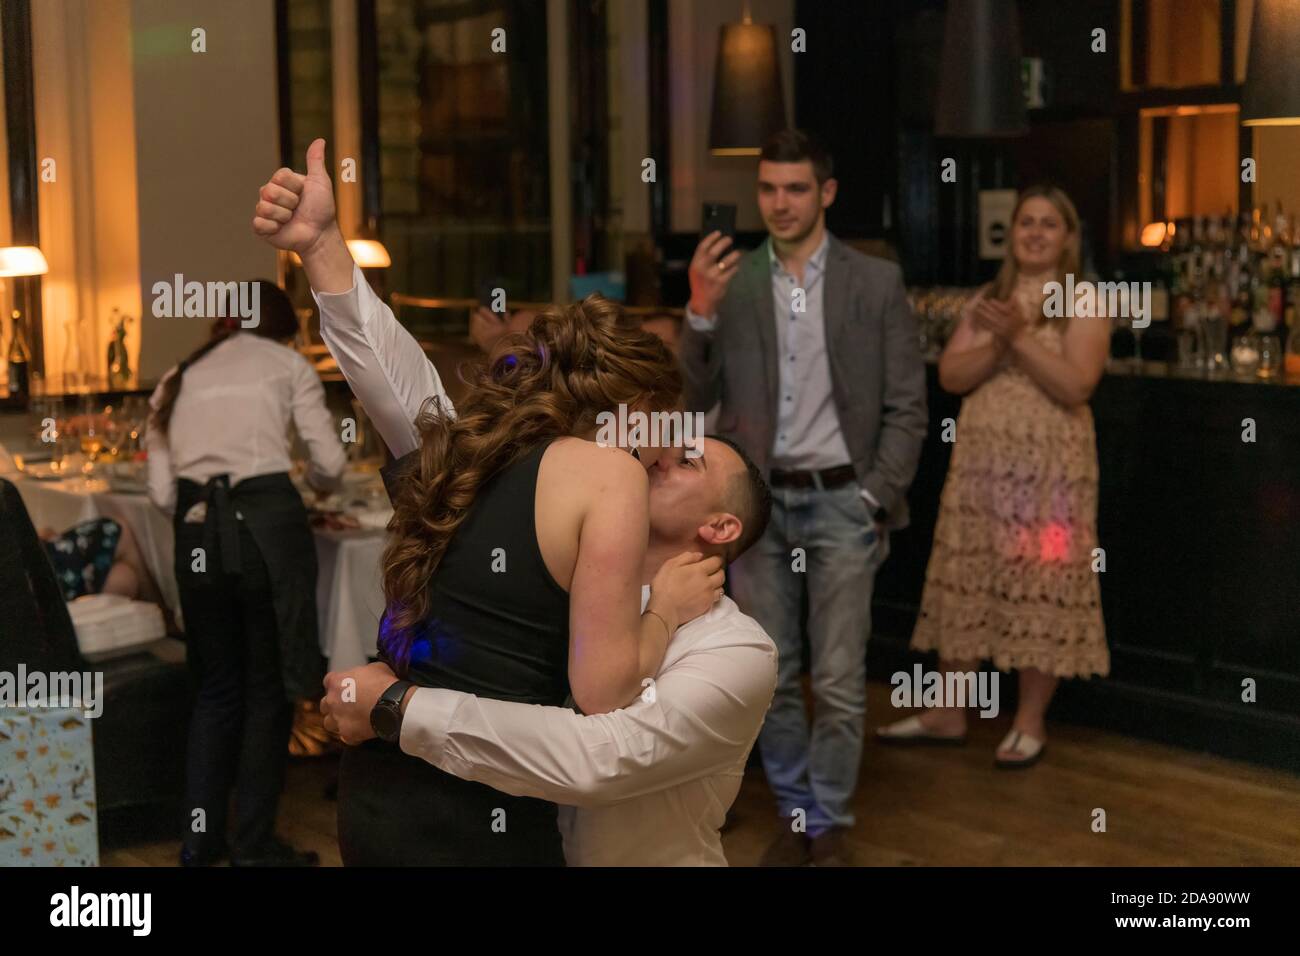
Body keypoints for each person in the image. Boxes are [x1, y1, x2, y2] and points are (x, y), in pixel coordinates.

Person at [252, 139, 723, 865]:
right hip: (482, 806)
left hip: (380, 794)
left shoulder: (464, 452)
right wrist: (666, 610)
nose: (666, 453)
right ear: (633, 408)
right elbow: (603, 694)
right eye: (665, 426)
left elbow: (385, 364)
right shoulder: (607, 476)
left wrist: (320, 246)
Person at [320, 434, 777, 866]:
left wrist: (401, 708)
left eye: (686, 461)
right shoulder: (560, 590)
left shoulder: (738, 651)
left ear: (719, 527)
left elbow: (602, 760)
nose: (657, 457)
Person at [679, 128, 927, 866]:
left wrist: (876, 495)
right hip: (760, 509)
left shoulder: (874, 282)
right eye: (767, 189)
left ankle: (830, 823)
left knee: (844, 680)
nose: (779, 203)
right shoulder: (738, 282)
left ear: (826, 192)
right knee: (773, 675)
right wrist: (697, 311)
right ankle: (797, 815)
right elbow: (696, 400)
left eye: (794, 189)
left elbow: (908, 406)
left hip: (844, 503)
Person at [877, 185, 1110, 768]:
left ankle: (1029, 721)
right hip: (982, 469)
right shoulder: (990, 296)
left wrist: (1014, 338)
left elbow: (1074, 384)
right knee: (969, 574)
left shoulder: (1083, 298)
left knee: (1043, 583)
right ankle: (948, 710)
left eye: (1047, 224)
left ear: (1067, 237)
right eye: (1025, 222)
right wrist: (1007, 345)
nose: (1033, 232)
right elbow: (953, 374)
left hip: (1051, 472)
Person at [146, 281, 347, 867]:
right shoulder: (287, 365)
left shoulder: (177, 375)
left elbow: (162, 493)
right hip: (266, 537)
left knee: (214, 689)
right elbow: (331, 465)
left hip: (196, 536)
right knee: (268, 692)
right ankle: (255, 846)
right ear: (283, 329)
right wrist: (313, 486)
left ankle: (199, 843)